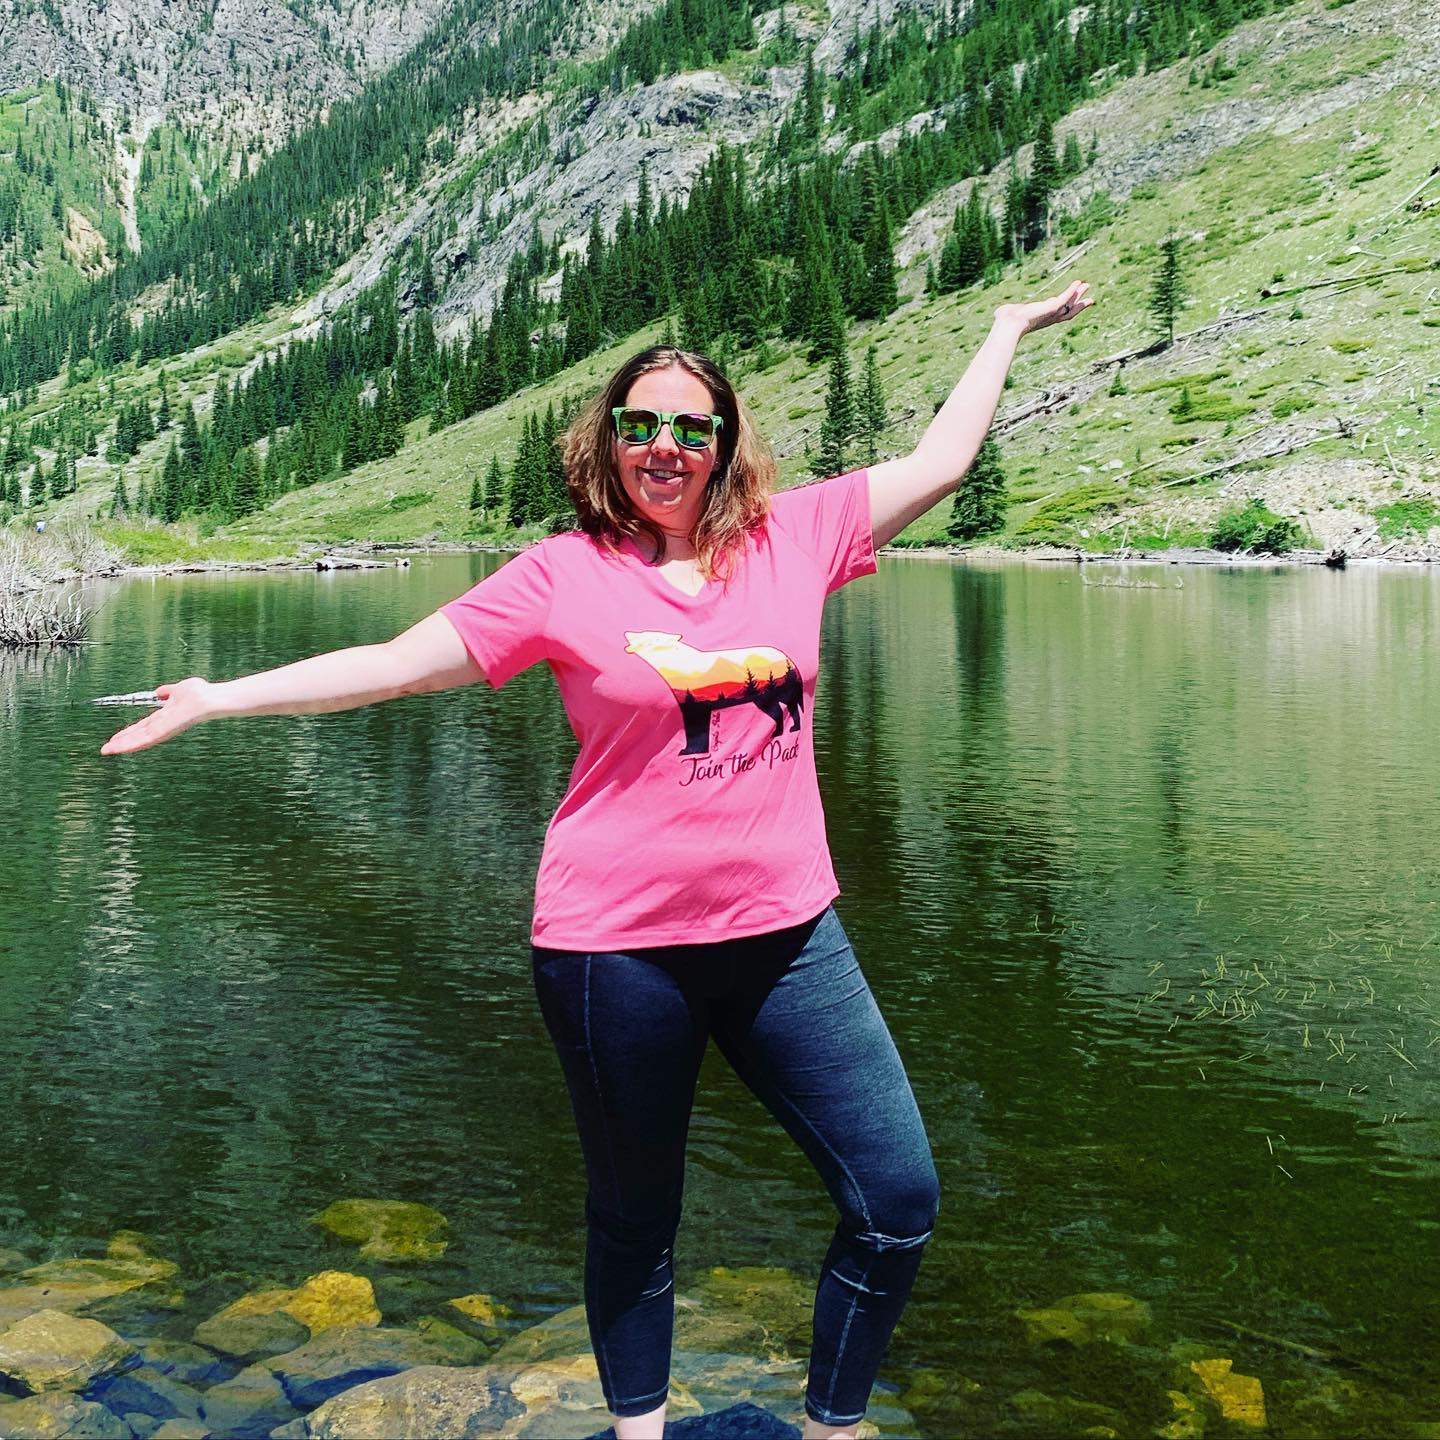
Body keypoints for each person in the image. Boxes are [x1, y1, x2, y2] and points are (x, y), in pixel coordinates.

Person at [100, 279, 1093, 1439]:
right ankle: (638, 1430)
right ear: (609, 441)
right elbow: (394, 666)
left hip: (790, 940)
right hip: (615, 954)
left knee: (897, 1197)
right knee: (636, 1220)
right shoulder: (561, 575)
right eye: (640, 425)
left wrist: (1004, 330)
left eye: (691, 427)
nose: (664, 447)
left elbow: (942, 461)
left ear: (725, 444)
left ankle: (832, 1425)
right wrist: (218, 696)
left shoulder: (799, 533)